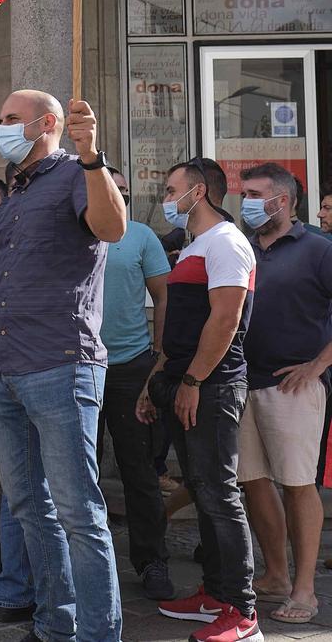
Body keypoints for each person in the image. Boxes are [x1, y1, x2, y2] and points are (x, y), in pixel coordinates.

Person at [0, 90, 126, 642]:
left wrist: (92, 154)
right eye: (0, 117)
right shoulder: (12, 198)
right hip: (8, 369)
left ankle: (100, 634)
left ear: (47, 123)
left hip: (62, 366)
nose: (1, 127)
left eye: (11, 119)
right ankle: (56, 624)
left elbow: (112, 228)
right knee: (30, 506)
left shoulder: (79, 172)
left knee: (79, 513)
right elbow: (2, 293)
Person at [146, 160, 261, 642]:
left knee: (219, 493)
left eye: (172, 189)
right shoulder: (195, 245)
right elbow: (182, 325)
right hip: (182, 382)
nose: (166, 198)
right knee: (201, 486)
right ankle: (215, 593)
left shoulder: (227, 242)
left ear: (198, 192)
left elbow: (225, 319)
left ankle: (243, 611)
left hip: (210, 386)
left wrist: (193, 381)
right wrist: (158, 383)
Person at [238, 163, 331, 625]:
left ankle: (305, 590)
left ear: (284, 199)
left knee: (297, 486)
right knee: (252, 481)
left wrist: (318, 365)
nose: (246, 201)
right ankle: (274, 575)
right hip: (242, 382)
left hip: (294, 387)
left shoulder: (318, 248)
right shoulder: (245, 247)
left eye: (255, 193)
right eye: (244, 192)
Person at [96, 168, 175, 600]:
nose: (119, 197)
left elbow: (163, 297)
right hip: (78, 366)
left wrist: (159, 360)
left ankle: (152, 562)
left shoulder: (143, 236)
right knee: (80, 468)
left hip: (130, 367)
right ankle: (87, 558)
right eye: (112, 189)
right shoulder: (76, 230)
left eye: (124, 191)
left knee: (140, 471)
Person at [160, 158, 228, 268]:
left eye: (172, 192)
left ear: (198, 192)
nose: (166, 201)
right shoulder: (198, 244)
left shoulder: (225, 242)